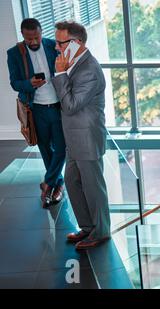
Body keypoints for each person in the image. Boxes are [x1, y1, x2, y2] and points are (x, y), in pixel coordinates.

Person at [51, 21, 110, 250]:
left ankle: (101, 232)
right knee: (72, 182)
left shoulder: (90, 70)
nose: (56, 47)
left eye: (60, 42)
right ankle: (87, 227)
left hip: (86, 138)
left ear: (75, 43)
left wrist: (59, 73)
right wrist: (63, 72)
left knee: (93, 187)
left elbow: (71, 105)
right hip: (74, 138)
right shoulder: (75, 63)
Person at [7, 18, 66, 207]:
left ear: (42, 32)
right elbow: (15, 83)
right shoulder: (15, 53)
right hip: (36, 109)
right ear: (23, 35)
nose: (33, 42)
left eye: (36, 37)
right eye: (29, 38)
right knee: (45, 148)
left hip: (58, 106)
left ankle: (48, 184)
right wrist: (29, 84)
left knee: (61, 147)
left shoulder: (52, 46)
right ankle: (57, 185)